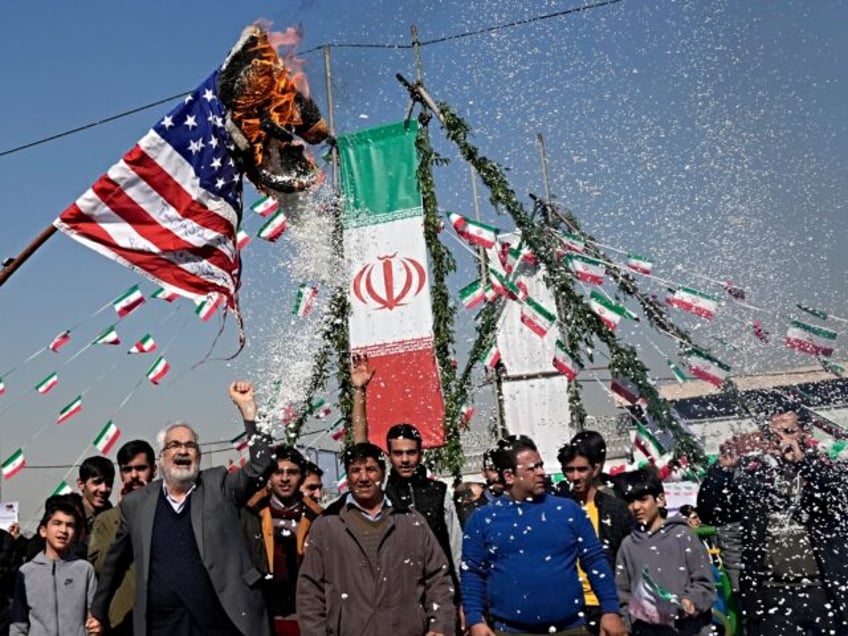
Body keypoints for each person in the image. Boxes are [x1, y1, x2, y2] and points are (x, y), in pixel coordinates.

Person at [89, 380, 274, 636]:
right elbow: (114, 564)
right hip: (162, 625)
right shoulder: (137, 504)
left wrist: (248, 410)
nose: (184, 450)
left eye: (191, 446)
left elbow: (261, 466)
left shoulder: (218, 485)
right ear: (161, 457)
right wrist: (97, 612)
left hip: (220, 622)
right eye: (175, 445)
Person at [698, 404, 848, 634]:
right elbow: (713, 513)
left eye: (788, 432)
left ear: (805, 434)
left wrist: (802, 463)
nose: (779, 440)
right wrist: (721, 471)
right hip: (772, 593)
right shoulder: (755, 476)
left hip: (824, 589)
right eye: (772, 434)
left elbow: (837, 500)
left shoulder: (825, 467)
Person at [461, 435, 626, 636]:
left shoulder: (567, 510)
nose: (541, 472)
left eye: (540, 465)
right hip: (510, 630)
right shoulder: (482, 519)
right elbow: (472, 573)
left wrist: (610, 610)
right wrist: (475, 619)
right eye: (532, 468)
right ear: (509, 475)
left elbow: (595, 561)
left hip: (571, 627)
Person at [297, 442, 456, 636]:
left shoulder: (410, 521)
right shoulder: (328, 525)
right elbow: (310, 591)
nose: (363, 478)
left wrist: (440, 626)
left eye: (371, 469)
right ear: (347, 476)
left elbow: (438, 578)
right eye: (355, 470)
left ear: (382, 473)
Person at [615, 469, 715, 636]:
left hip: (689, 630)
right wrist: (628, 621)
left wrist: (690, 602)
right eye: (630, 501)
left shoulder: (683, 536)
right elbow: (622, 594)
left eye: (643, 499)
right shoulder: (627, 545)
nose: (636, 507)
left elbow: (705, 583)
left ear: (660, 500)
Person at [241, 444, 323, 634]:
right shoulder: (250, 514)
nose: (285, 479)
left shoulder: (318, 518)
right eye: (278, 472)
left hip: (306, 616)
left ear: (301, 476)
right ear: (269, 477)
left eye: (292, 472)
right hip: (262, 616)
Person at [555, 437, 633, 635]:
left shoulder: (615, 509)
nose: (575, 476)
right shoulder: (557, 510)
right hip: (572, 606)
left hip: (610, 604)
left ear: (595, 469)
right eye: (569, 470)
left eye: (582, 469)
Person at [87, 440, 157, 635]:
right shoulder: (107, 520)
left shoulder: (169, 512)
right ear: (121, 475)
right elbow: (99, 566)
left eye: (141, 468)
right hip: (122, 621)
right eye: (127, 470)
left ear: (154, 470)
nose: (134, 476)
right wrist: (126, 518)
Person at [10, 499, 100, 636]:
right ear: (43, 531)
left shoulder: (85, 570)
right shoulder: (26, 572)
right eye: (57, 523)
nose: (63, 530)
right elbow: (19, 625)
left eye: (69, 525)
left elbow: (93, 619)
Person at [77, 456, 115, 542]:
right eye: (97, 482)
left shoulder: (114, 521)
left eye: (108, 483)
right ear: (81, 484)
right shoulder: (67, 517)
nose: (104, 489)